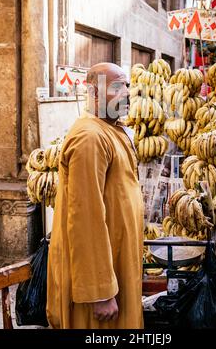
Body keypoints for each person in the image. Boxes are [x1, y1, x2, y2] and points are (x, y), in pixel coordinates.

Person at [46, 63, 144, 329]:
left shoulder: (111, 128)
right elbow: (84, 217)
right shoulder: (90, 137)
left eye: (126, 86)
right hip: (97, 290)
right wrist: (99, 291)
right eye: (116, 87)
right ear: (94, 93)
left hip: (116, 262)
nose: (126, 93)